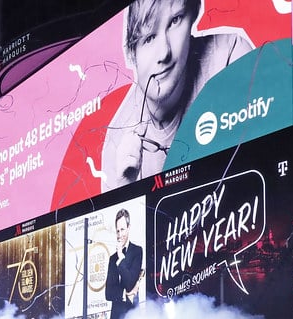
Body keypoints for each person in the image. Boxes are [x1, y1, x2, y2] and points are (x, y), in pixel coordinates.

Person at [100, 0, 252, 190]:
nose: (164, 53)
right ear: (132, 54)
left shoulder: (230, 57)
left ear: (192, 16)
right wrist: (125, 186)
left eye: (175, 21)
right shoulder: (118, 140)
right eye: (148, 38)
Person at [104, 209, 144, 319]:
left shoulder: (137, 251)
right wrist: (125, 295)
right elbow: (108, 293)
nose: (119, 234)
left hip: (133, 316)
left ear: (129, 227)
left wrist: (121, 259)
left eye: (122, 230)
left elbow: (130, 283)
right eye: (117, 231)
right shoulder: (112, 259)